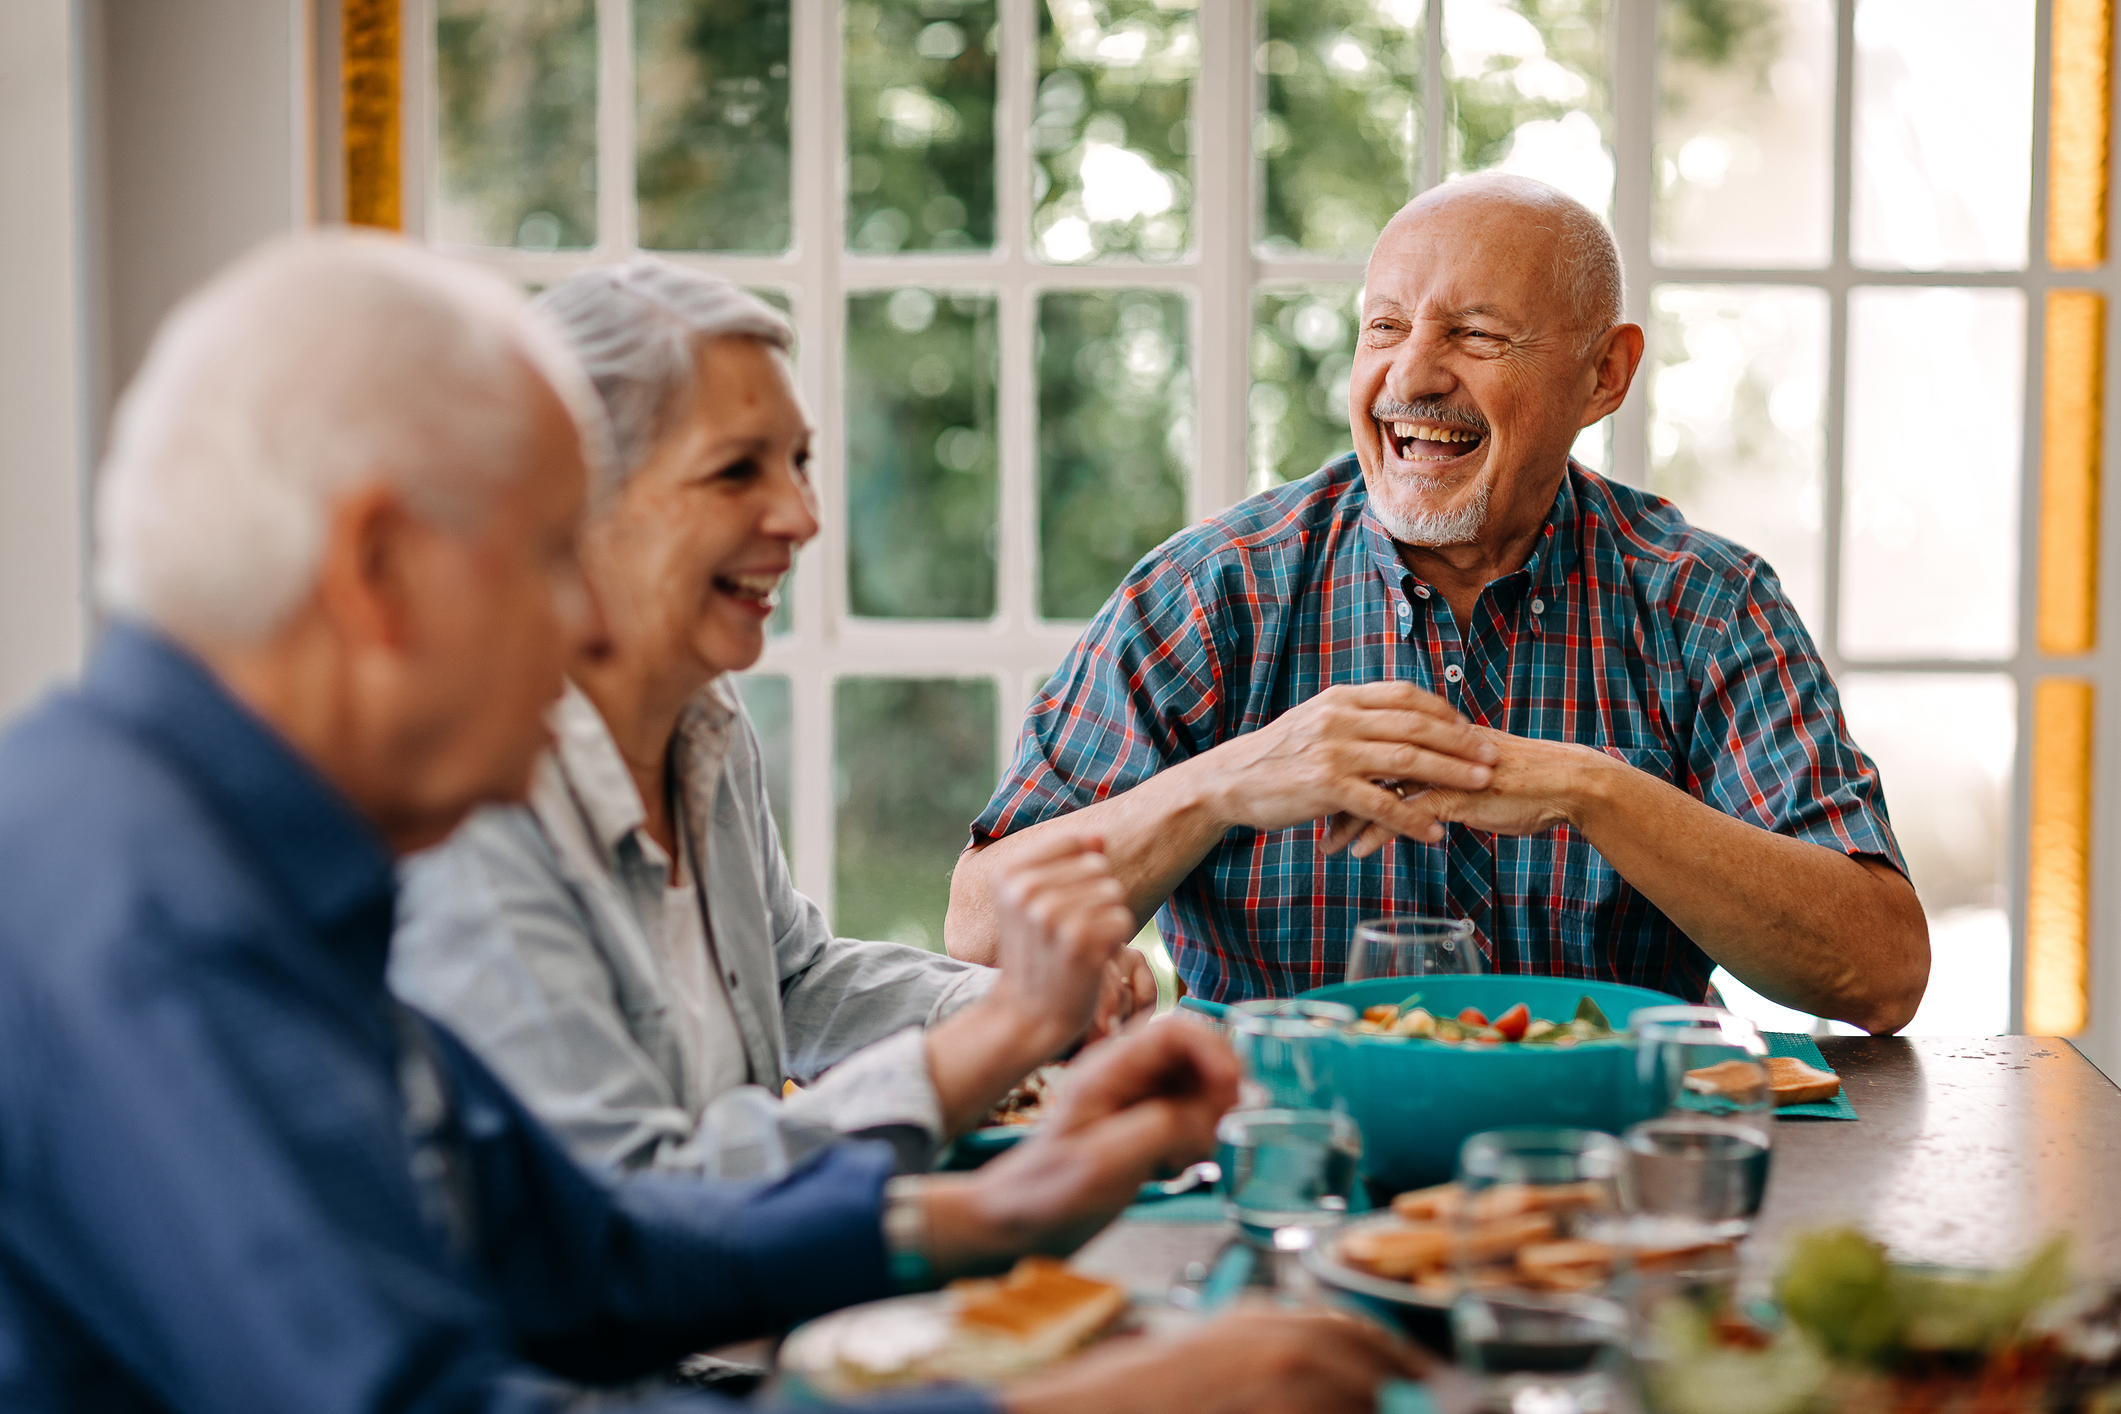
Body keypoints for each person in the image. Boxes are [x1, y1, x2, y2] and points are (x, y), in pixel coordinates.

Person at [0, 234, 1417, 1413]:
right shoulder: (138, 913)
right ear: (382, 571)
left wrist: (993, 1208)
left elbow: (575, 1239)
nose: (580, 625)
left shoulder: (231, 854)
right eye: (552, 555)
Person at [946, 173, 1929, 1035]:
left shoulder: (1706, 605)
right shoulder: (1212, 592)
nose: (1411, 375)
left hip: (1607, 1171)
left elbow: (1880, 974)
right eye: (1384, 327)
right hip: (1268, 1160)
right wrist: (1228, 780)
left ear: (1604, 374)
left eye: (1476, 334)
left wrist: (1595, 792)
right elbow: (982, 933)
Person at [391, 260, 1158, 1181]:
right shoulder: (477, 801)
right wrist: (1008, 1032)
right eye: (734, 470)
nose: (800, 516)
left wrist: (1017, 1004)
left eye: (798, 461)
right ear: (574, 496)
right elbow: (636, 1198)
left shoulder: (704, 719)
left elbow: (791, 981)